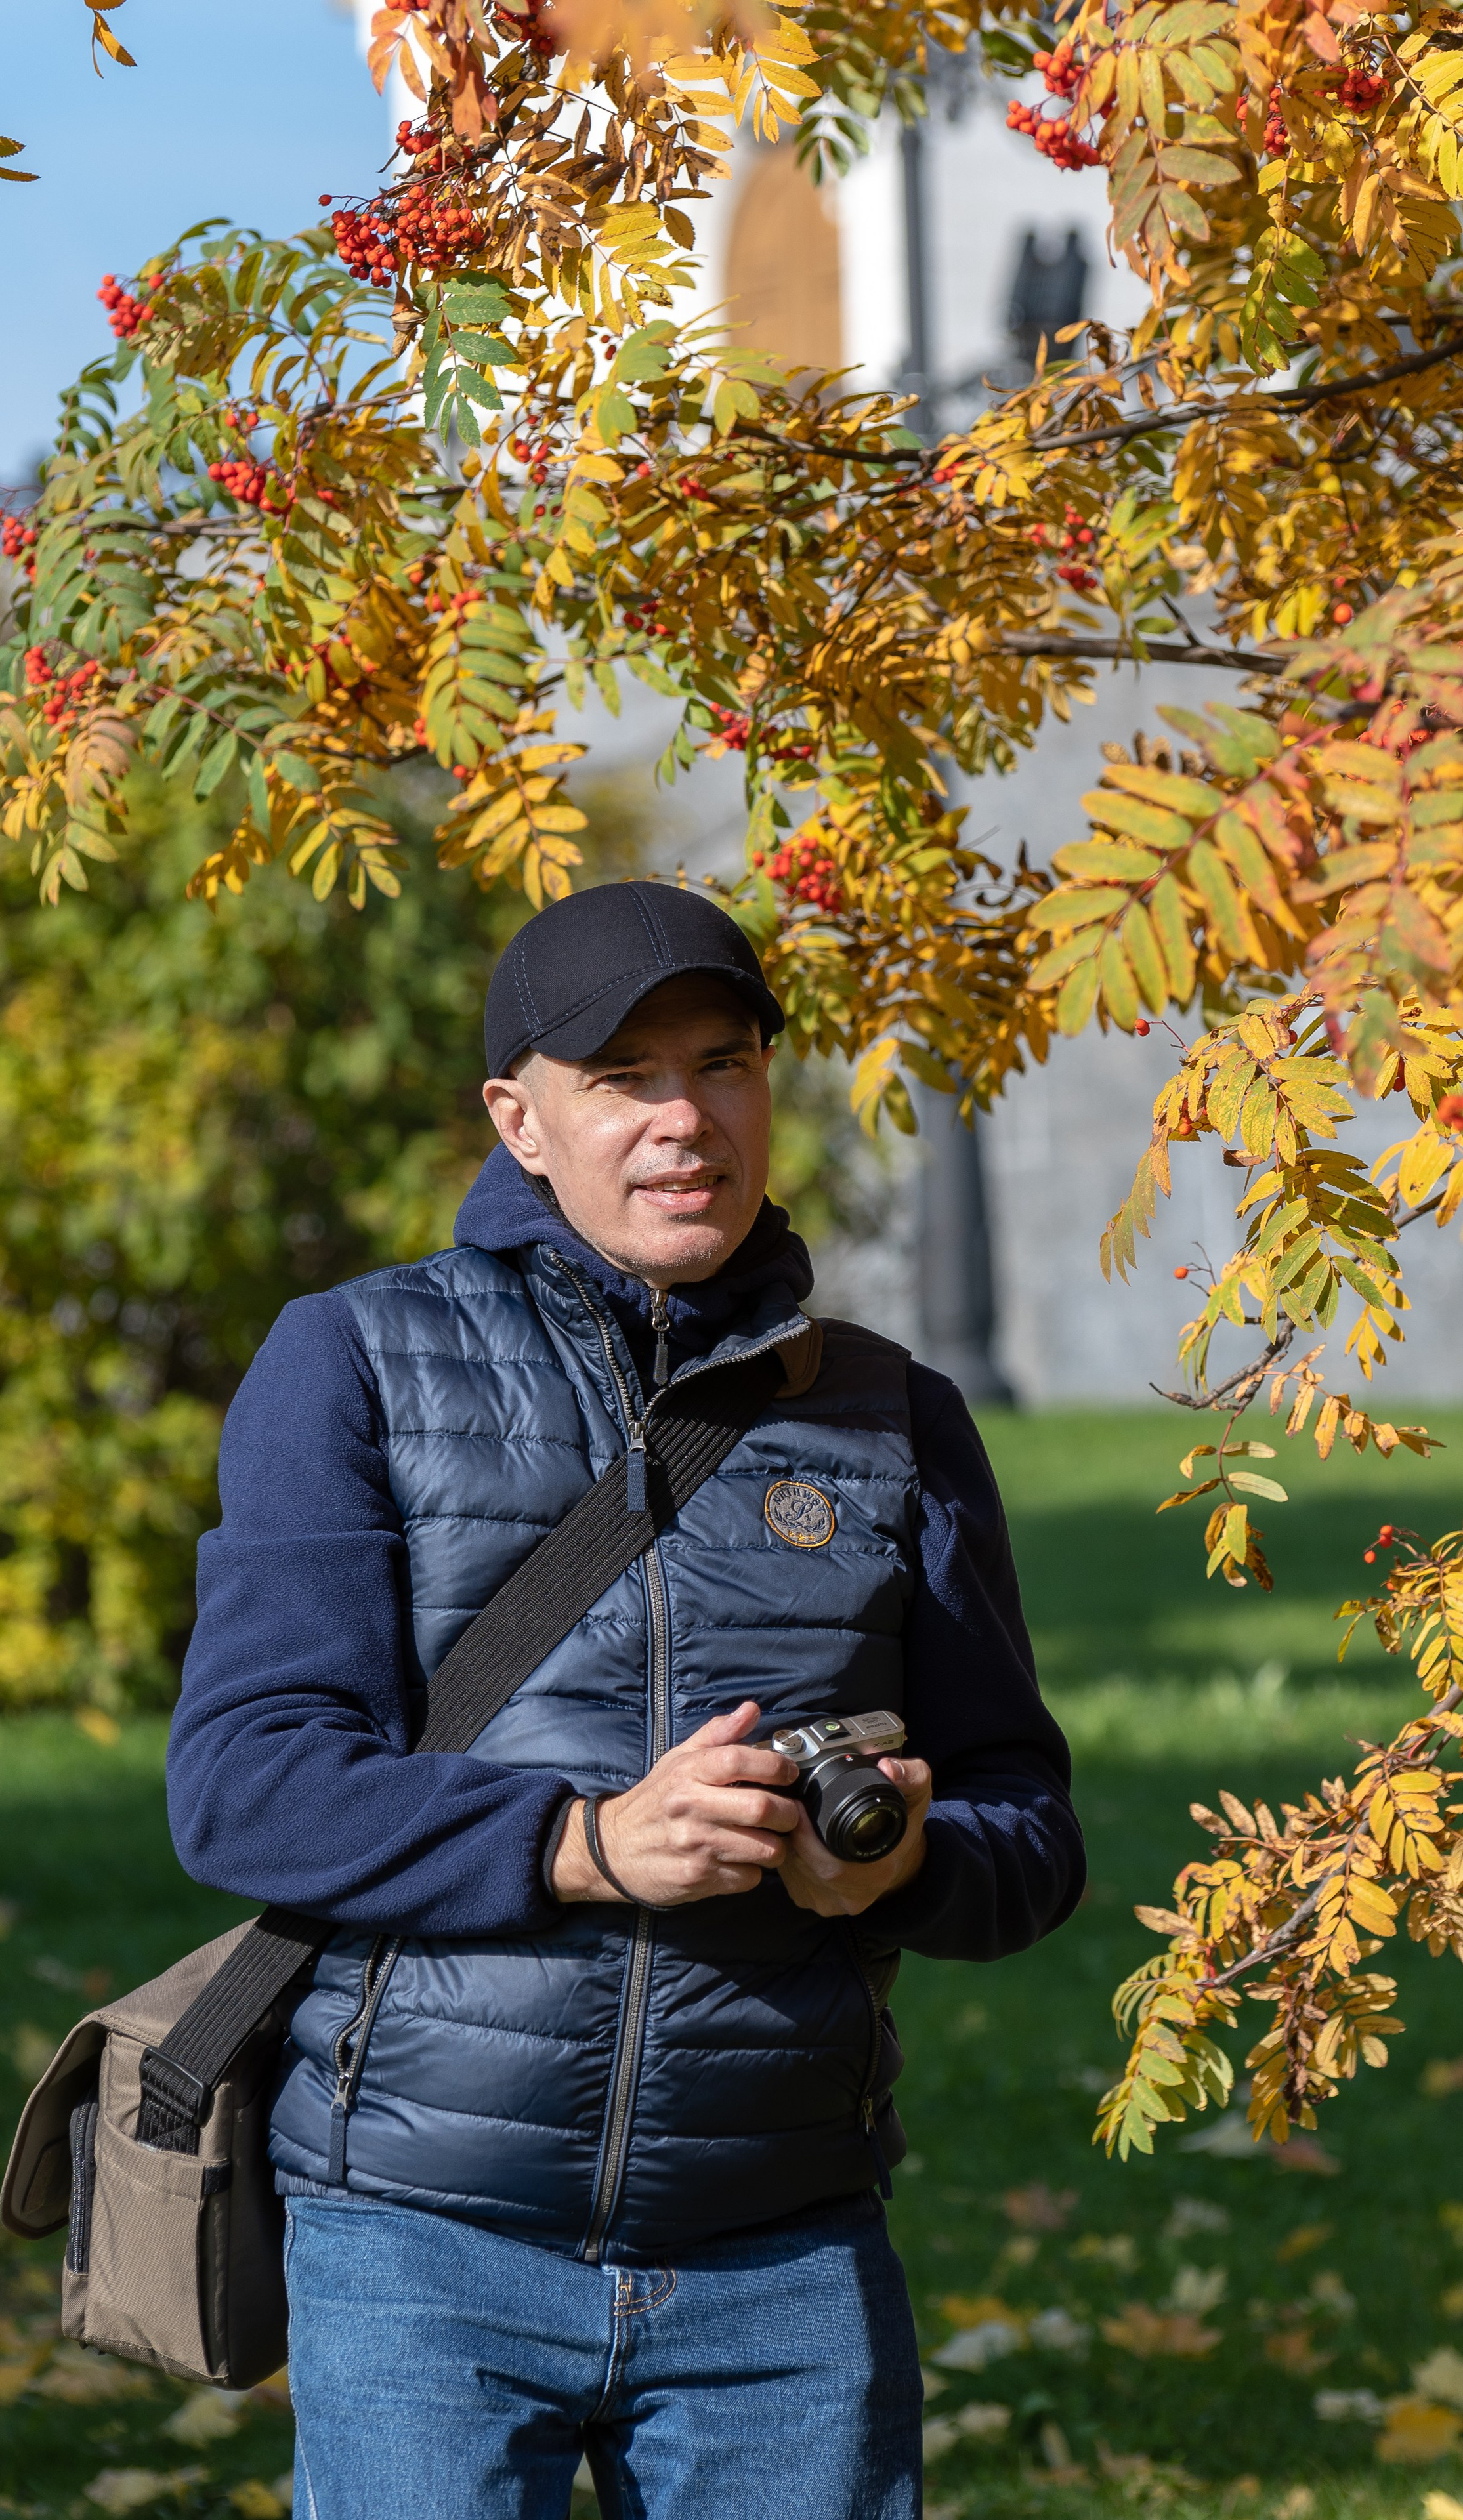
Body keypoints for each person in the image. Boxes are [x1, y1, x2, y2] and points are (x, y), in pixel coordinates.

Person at [167, 881, 1085, 2520]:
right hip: (422, 2242)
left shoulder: (892, 1419)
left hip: (781, 2253)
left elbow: (1028, 1829)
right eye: (622, 1079)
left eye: (721, 1065)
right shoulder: (353, 1360)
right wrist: (586, 1846)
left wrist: (902, 1866)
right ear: (518, 1120)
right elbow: (248, 1787)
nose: (684, 1120)